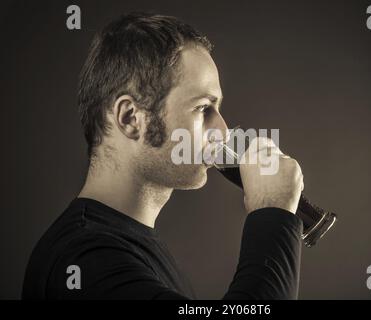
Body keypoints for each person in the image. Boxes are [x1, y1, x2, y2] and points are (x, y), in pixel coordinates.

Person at [22, 12, 304, 300]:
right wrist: (272, 213)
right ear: (131, 118)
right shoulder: (86, 261)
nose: (222, 129)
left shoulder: (127, 244)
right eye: (203, 108)